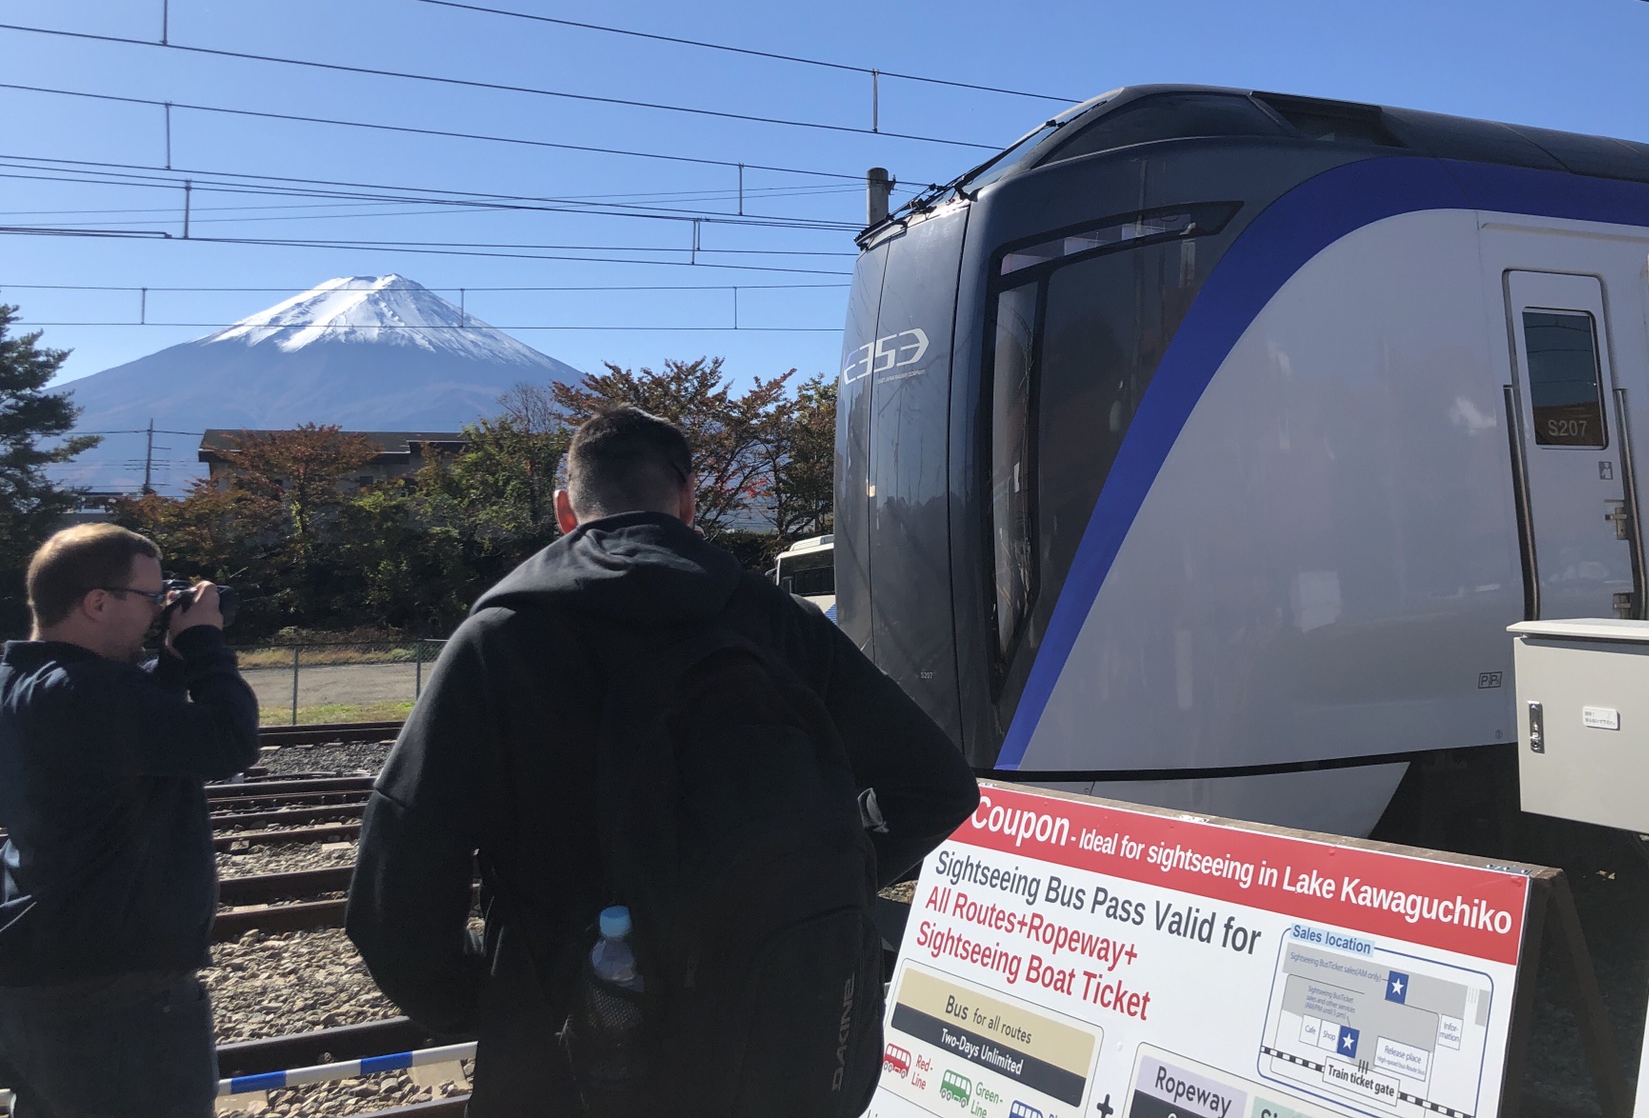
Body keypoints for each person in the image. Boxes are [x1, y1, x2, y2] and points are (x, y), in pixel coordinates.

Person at [348, 406, 979, 1115]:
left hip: (566, 1052)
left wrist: (490, 996)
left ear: (565, 511)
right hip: (765, 1043)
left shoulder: (499, 641)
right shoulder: (777, 624)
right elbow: (937, 785)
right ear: (687, 500)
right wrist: (816, 874)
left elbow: (395, 895)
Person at [0, 523, 259, 1118]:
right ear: (97, 603)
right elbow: (229, 740)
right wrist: (204, 647)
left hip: (45, 972)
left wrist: (167, 663)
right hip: (114, 997)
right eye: (150, 596)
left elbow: (134, 738)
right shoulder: (84, 691)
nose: (160, 608)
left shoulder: (28, 680)